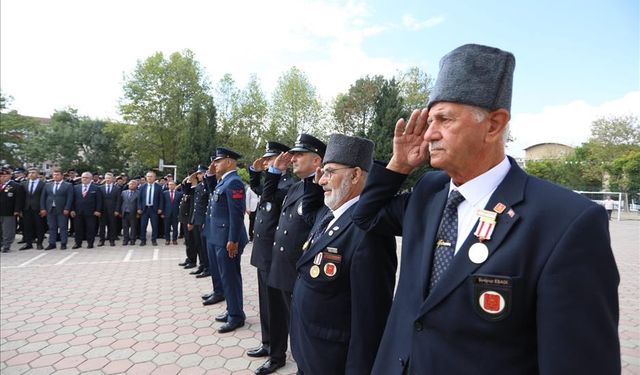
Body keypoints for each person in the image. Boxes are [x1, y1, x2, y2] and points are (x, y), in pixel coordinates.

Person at [352, 44, 620, 374]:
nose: (430, 132)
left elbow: (578, 363)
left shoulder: (566, 221)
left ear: (493, 125)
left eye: (444, 119)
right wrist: (398, 166)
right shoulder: (429, 191)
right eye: (430, 119)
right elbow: (365, 217)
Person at [290, 134, 397, 374]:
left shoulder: (369, 231)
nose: (321, 181)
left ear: (356, 175)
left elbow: (371, 321)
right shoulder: (328, 214)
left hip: (333, 361)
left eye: (329, 172)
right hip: (309, 351)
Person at [257, 134, 326, 375]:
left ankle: (302, 367)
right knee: (277, 317)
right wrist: (273, 174)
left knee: (299, 327)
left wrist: (314, 181)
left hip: (297, 268)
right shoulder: (295, 186)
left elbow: (309, 215)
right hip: (280, 264)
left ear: (316, 161)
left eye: (299, 155)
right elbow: (267, 198)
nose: (292, 158)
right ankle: (275, 356)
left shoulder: (319, 187)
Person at [246, 141, 294, 360]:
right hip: (264, 253)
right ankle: (267, 343)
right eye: (264, 160)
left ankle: (277, 354)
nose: (265, 163)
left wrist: (272, 174)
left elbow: (267, 195)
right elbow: (259, 190)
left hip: (275, 256)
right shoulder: (273, 182)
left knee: (275, 309)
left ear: (281, 160)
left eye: (269, 159)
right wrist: (255, 173)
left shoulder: (287, 184)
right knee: (266, 305)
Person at [204, 147, 249, 333]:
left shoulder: (234, 182)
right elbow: (213, 197)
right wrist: (209, 174)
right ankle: (232, 309)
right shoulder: (223, 181)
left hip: (227, 240)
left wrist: (233, 240)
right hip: (218, 237)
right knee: (225, 277)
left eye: (218, 161)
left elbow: (237, 215)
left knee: (230, 278)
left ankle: (236, 316)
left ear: (229, 162)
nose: (215, 164)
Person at [40, 167, 74, 250]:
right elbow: (43, 197)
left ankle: (63, 243)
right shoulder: (48, 185)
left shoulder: (68, 185)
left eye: (57, 175)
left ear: (62, 176)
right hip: (50, 209)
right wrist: (43, 208)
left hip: (62, 209)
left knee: (63, 227)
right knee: (51, 227)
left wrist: (67, 208)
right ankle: (52, 243)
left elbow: (70, 198)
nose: (55, 176)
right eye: (54, 175)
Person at [188, 165, 212, 278]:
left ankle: (207, 267)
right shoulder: (198, 186)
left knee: (204, 246)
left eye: (201, 173)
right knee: (198, 244)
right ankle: (202, 265)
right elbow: (189, 195)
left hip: (204, 219)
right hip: (197, 219)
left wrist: (208, 177)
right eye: (198, 174)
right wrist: (190, 179)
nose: (200, 175)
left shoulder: (207, 185)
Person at [70, 172, 102, 249]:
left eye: (87, 177)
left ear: (91, 179)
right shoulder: (75, 187)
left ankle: (90, 243)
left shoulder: (96, 188)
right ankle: (78, 243)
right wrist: (72, 210)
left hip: (91, 212)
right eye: (83, 177)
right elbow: (72, 200)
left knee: (90, 228)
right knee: (78, 228)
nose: (84, 179)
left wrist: (98, 210)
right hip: (78, 212)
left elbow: (99, 200)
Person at [20, 168, 46, 250]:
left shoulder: (43, 184)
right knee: (27, 227)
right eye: (30, 173)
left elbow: (44, 197)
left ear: (37, 174)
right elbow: (21, 198)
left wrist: (43, 208)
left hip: (38, 209)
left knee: (39, 226)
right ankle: (28, 243)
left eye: (33, 172)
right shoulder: (23, 184)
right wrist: (20, 209)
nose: (31, 174)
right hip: (26, 208)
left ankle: (39, 243)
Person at [0, 167, 25, 252]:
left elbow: (19, 200)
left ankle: (6, 245)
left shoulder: (16, 186)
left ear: (10, 176)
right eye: (1, 176)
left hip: (9, 211)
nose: (3, 177)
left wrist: (17, 210)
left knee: (8, 230)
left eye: (5, 176)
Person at [137, 170, 164, 246]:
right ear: (146, 177)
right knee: (143, 225)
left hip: (154, 209)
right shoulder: (142, 187)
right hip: (144, 209)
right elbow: (139, 199)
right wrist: (139, 208)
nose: (149, 178)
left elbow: (161, 199)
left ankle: (154, 240)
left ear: (154, 177)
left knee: (155, 225)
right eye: (148, 176)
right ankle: (143, 240)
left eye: (151, 176)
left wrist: (160, 208)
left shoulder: (158, 187)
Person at [98, 172, 121, 247]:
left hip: (113, 211)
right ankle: (101, 240)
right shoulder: (100, 188)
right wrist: (98, 210)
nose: (107, 179)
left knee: (112, 226)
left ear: (113, 179)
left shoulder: (117, 188)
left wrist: (117, 210)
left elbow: (118, 200)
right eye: (106, 178)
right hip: (102, 211)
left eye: (109, 178)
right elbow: (98, 200)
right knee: (102, 226)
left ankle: (112, 240)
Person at [116, 179, 140, 246]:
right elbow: (120, 202)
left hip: (133, 213)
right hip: (125, 212)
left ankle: (132, 240)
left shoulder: (138, 193)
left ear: (136, 185)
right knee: (125, 227)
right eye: (130, 184)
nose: (131, 185)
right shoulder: (123, 192)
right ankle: (125, 240)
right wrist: (119, 211)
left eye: (133, 184)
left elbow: (139, 203)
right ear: (128, 185)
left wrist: (138, 212)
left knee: (133, 227)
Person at [162, 181, 182, 245]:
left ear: (175, 185)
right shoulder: (164, 193)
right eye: (170, 185)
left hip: (175, 213)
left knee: (175, 227)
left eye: (172, 184)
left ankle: (174, 240)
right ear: (168, 186)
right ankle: (167, 240)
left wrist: (179, 213)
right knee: (166, 227)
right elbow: (162, 204)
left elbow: (180, 205)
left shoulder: (179, 194)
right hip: (166, 213)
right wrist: (162, 213)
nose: (171, 186)